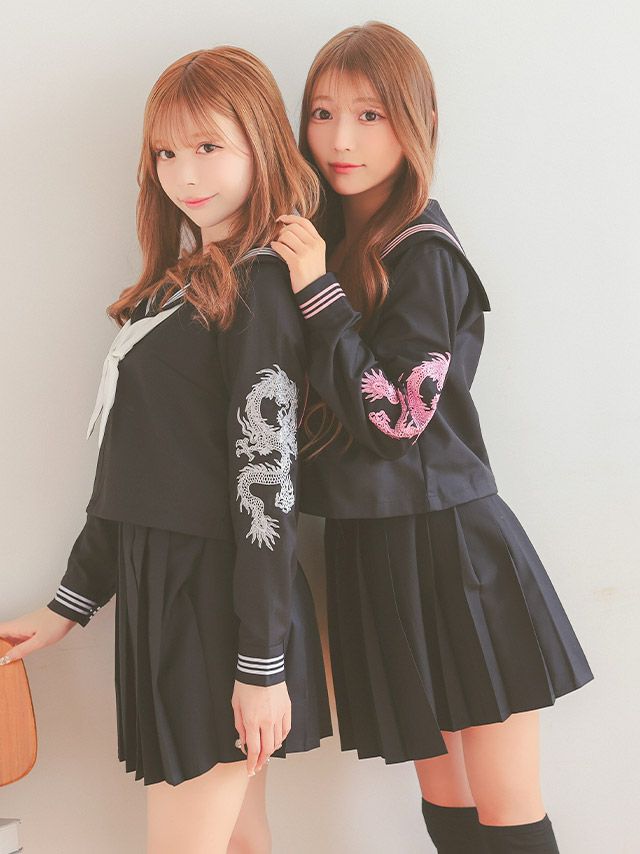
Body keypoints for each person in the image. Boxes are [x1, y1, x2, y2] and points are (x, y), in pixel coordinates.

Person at [272, 21, 594, 854]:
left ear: (417, 122)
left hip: (454, 548)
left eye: (370, 114)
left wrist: (315, 289)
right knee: (444, 805)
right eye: (322, 113)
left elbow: (397, 420)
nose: (341, 140)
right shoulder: (327, 241)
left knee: (505, 809)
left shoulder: (424, 252)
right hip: (369, 546)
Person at [0, 46, 331, 854]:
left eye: (208, 146)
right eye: (166, 152)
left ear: (259, 143)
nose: (185, 173)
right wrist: (70, 603)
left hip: (218, 604)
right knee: (241, 842)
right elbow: (134, 470)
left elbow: (266, 482)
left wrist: (260, 663)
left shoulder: (260, 289)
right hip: (172, 591)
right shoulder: (181, 286)